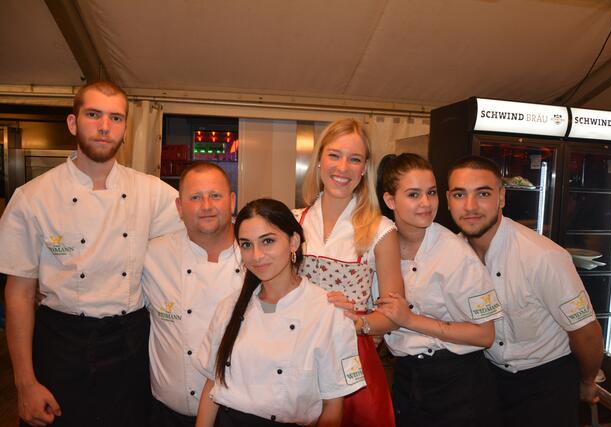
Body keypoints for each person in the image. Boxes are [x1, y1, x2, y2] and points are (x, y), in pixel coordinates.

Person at [0, 81, 183, 426]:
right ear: (73, 123)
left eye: (116, 118)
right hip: (61, 343)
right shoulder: (32, 198)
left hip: (131, 343)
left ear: (125, 129)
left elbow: (205, 225)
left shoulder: (152, 192)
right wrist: (24, 383)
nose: (104, 126)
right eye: (94, 115)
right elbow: (19, 294)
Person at [446, 155, 604, 427]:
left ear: (501, 197)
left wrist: (587, 381)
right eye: (460, 194)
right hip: (488, 379)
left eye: (483, 193)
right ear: (449, 200)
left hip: (546, 384)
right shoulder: (451, 254)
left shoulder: (543, 257)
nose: (470, 206)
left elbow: (586, 332)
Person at [194, 198, 365, 426]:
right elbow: (212, 386)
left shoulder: (327, 313)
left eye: (268, 241)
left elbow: (333, 408)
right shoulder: (229, 307)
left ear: (293, 242)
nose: (256, 255)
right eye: (246, 245)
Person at [375, 153, 503, 427]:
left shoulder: (455, 254)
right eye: (413, 194)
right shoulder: (379, 246)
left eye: (431, 193)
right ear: (390, 200)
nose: (426, 203)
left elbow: (485, 335)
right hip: (407, 377)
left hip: (458, 384)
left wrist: (410, 320)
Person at [294, 118, 403, 427]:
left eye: (354, 159)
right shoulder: (292, 222)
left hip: (351, 356)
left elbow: (394, 314)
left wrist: (357, 322)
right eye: (334, 155)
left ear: (364, 168)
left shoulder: (381, 230)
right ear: (319, 159)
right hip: (296, 349)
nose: (343, 167)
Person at [142, 162, 244, 426]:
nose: (206, 205)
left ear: (232, 202)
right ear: (179, 207)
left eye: (215, 195)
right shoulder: (152, 256)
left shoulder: (257, 257)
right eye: (195, 197)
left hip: (238, 414)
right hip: (168, 414)